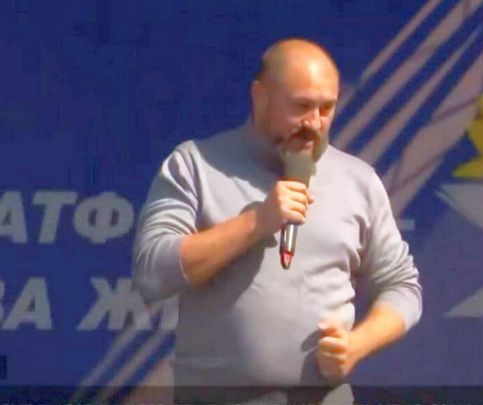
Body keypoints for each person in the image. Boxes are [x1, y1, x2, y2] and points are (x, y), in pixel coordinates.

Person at [133, 38, 422, 404]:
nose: (314, 123)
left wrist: (356, 345)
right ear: (260, 96)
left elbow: (403, 287)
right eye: (301, 106)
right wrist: (256, 222)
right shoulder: (196, 165)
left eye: (327, 108)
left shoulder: (358, 180)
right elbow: (152, 271)